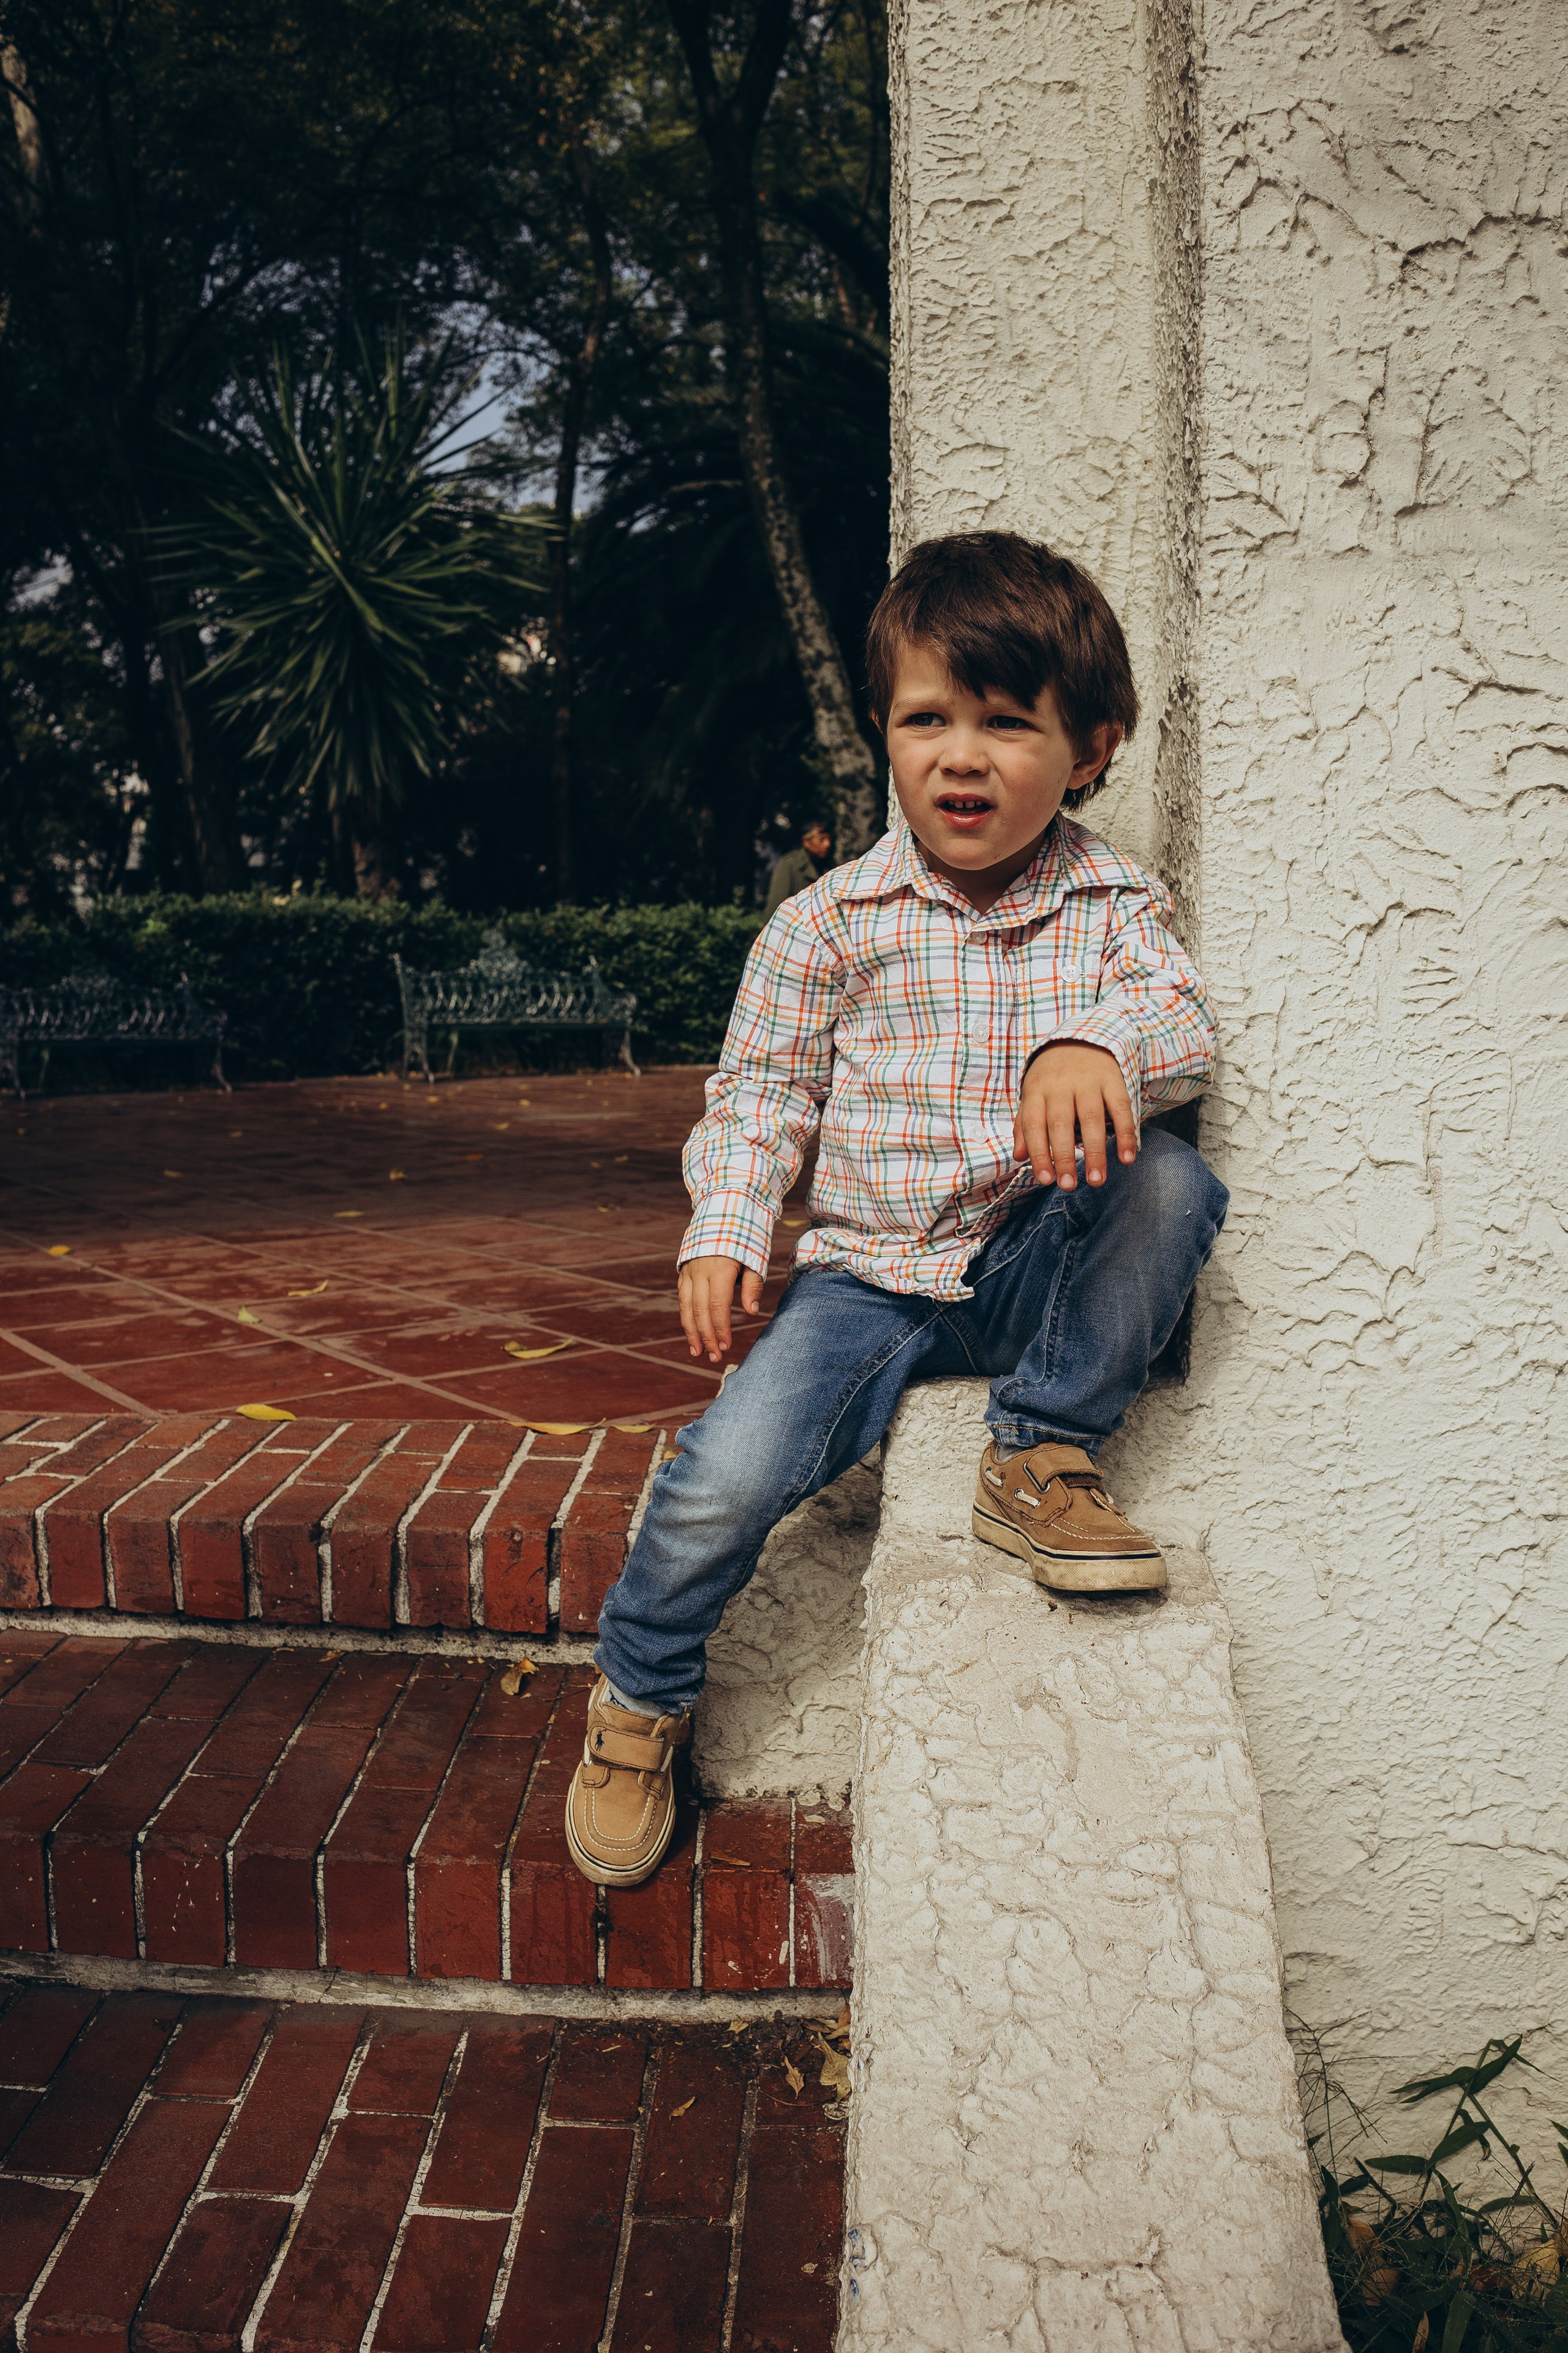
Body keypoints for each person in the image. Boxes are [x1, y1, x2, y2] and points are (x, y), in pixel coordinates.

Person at [565, 530, 1228, 1889]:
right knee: (720, 1480)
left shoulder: (1113, 905)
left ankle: (1040, 1447)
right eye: (927, 719)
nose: (961, 756)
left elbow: (1179, 1016)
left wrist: (1096, 1047)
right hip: (860, 1283)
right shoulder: (827, 925)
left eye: (1005, 722)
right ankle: (636, 1699)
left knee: (1167, 1178)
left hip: (1028, 1263)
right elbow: (758, 1096)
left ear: (1089, 748)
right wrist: (728, 1228)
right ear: (884, 731)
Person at [762, 818, 833, 917]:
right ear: (806, 842)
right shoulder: (789, 864)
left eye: (828, 839)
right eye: (821, 839)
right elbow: (776, 909)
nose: (827, 844)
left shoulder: (829, 865)